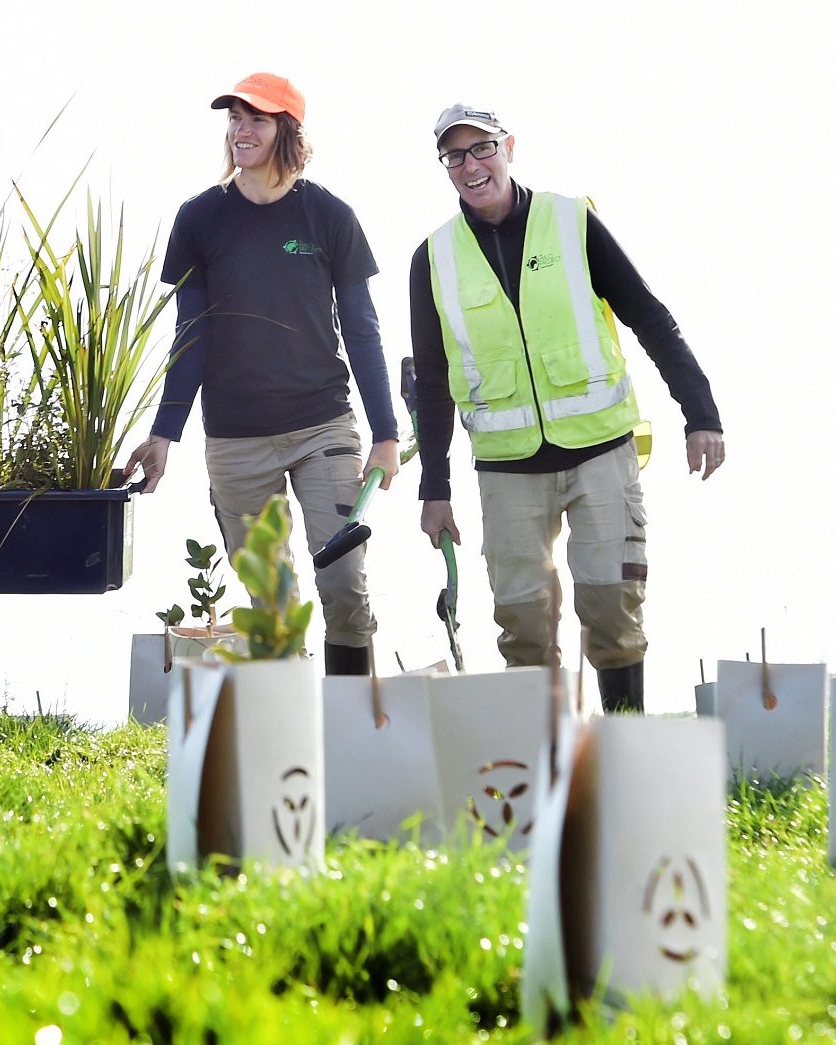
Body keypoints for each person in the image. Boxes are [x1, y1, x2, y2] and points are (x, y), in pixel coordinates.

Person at [409, 104, 724, 713]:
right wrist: (435, 489)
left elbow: (650, 317)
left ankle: (623, 745)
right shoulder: (432, 258)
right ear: (446, 167)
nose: (472, 166)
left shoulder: (571, 220)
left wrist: (701, 412)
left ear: (509, 147)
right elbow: (432, 382)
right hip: (506, 471)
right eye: (456, 156)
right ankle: (544, 769)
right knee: (523, 626)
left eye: (483, 149)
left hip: (601, 453)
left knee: (613, 607)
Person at [124, 73, 398, 677]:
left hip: (323, 426)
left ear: (287, 132)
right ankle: (293, 734)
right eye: (235, 119)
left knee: (346, 587)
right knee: (271, 606)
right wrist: (164, 435)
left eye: (258, 119)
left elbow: (362, 326)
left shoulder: (329, 215)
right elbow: (191, 334)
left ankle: (350, 719)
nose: (241, 130)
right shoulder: (200, 218)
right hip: (235, 440)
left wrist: (386, 435)